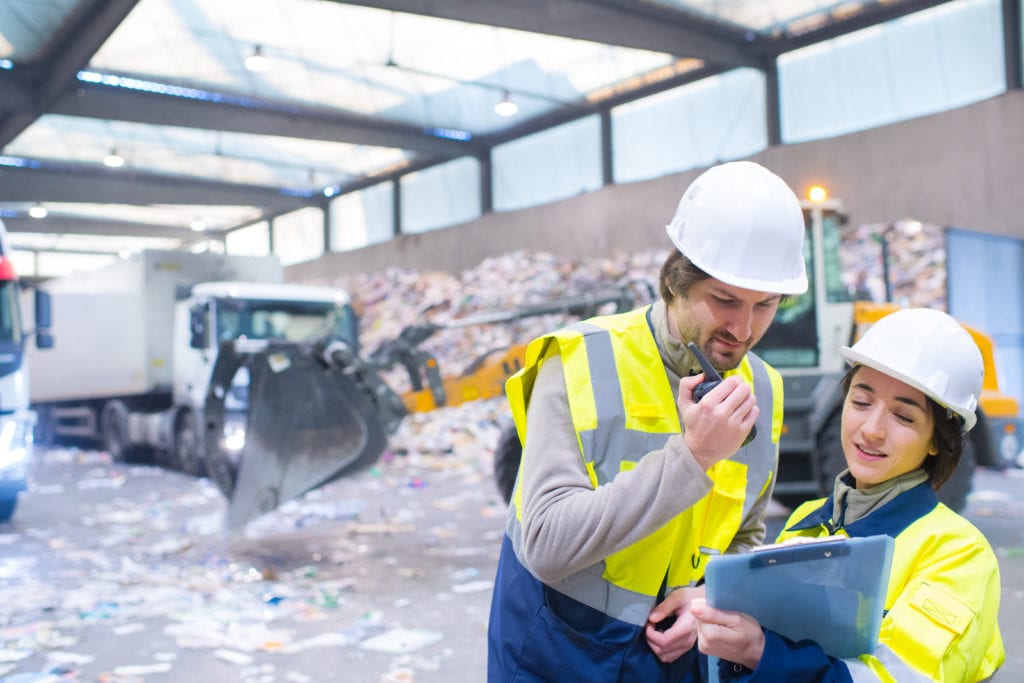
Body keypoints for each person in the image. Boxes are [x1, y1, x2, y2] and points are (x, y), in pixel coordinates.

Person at [486, 160, 809, 681]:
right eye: (724, 300)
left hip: (672, 661)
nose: (743, 330)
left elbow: (746, 532)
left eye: (765, 306)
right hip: (556, 650)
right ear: (675, 283)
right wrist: (694, 457)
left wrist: (709, 600)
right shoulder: (577, 361)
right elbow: (545, 544)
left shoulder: (763, 388)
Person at [691, 307, 1005, 682]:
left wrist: (761, 652)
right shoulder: (806, 523)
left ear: (938, 439)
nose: (872, 429)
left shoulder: (959, 553)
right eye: (861, 402)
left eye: (903, 417)